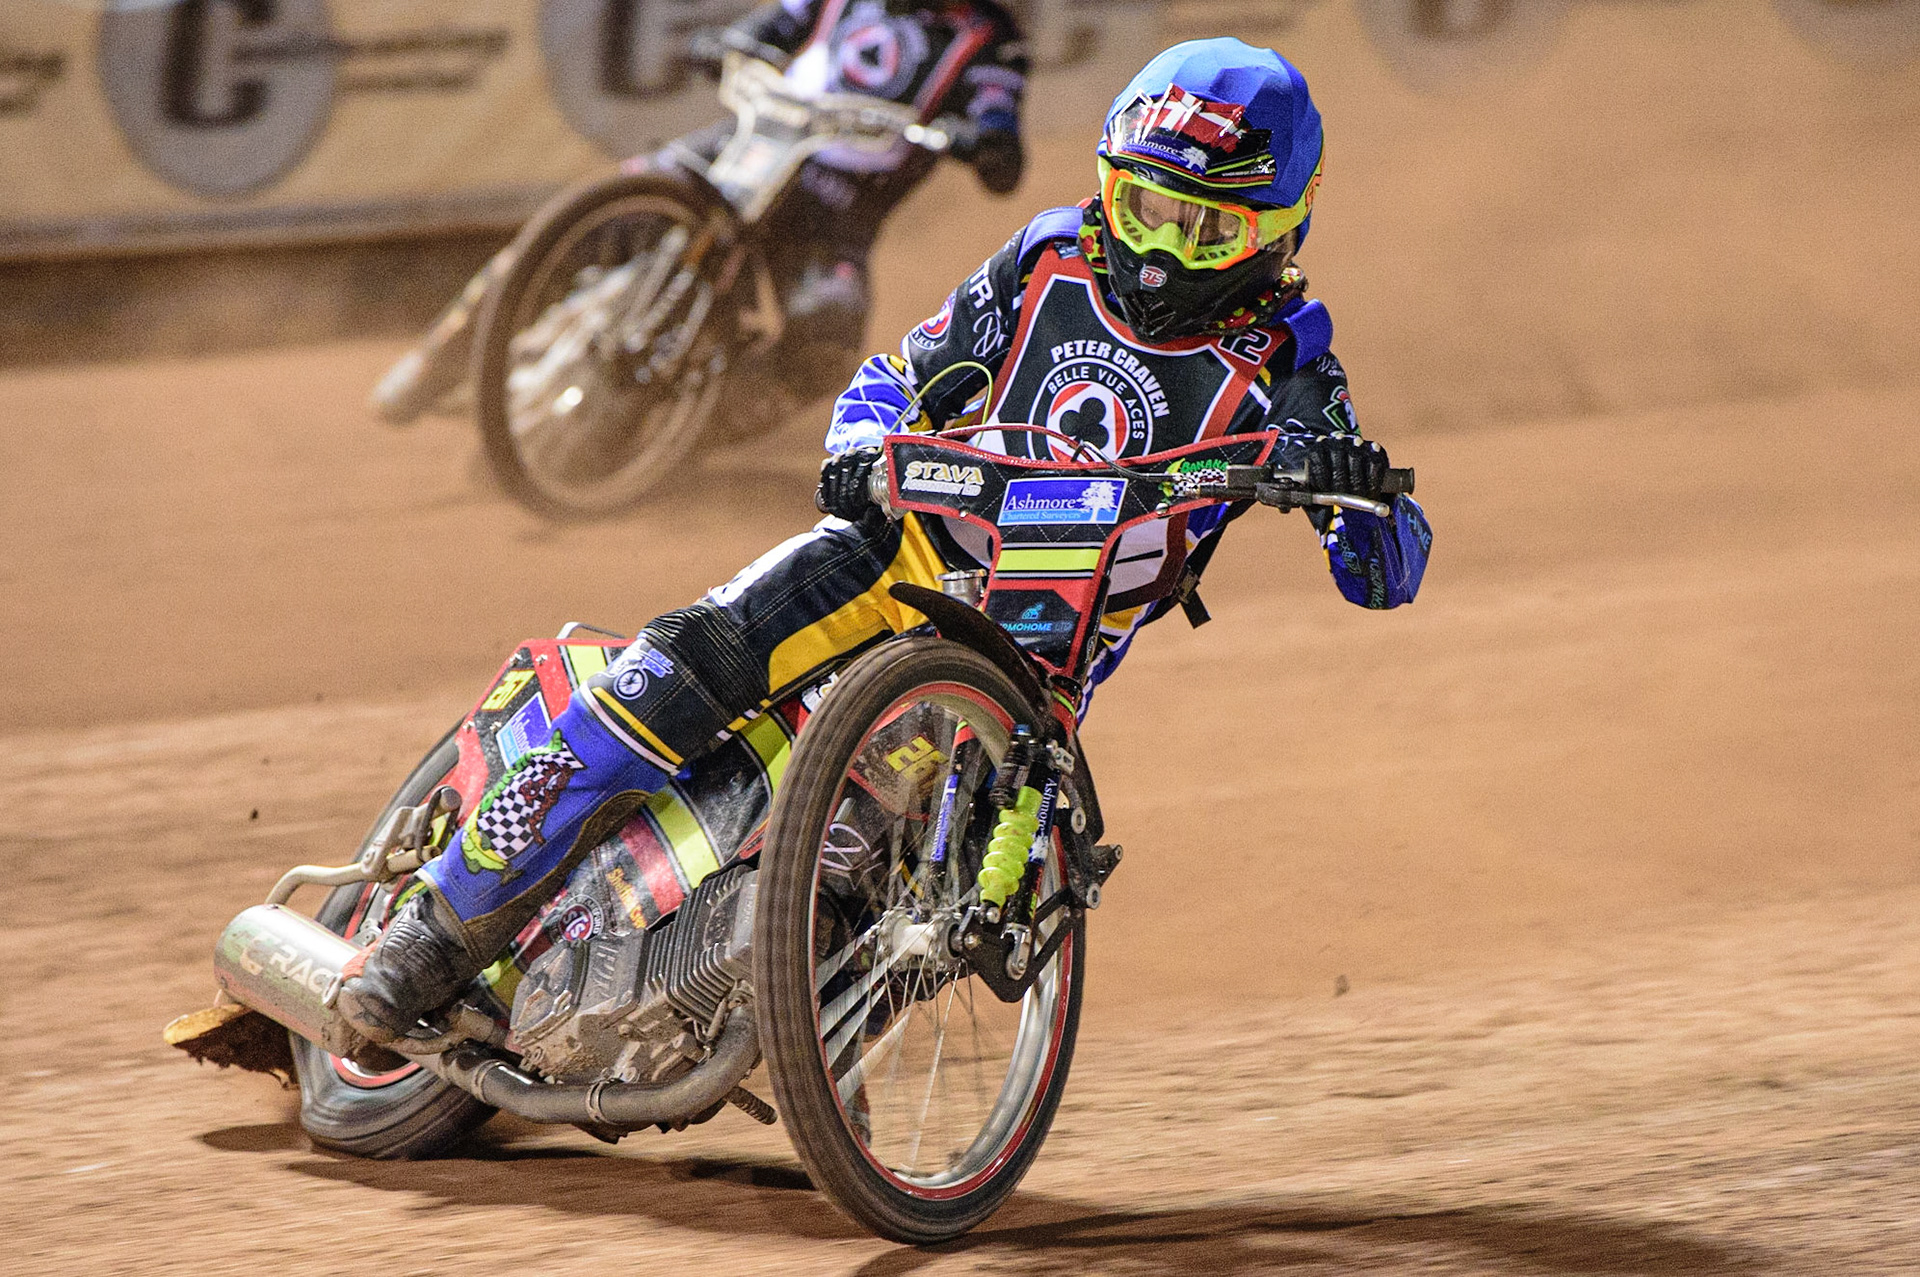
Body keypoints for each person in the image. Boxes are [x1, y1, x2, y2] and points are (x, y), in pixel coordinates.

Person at [335, 37, 1433, 1046]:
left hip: (1029, 667)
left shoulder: (1293, 369)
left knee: (918, 900)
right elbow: (900, 373)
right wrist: (860, 447)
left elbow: (1390, 573)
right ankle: (430, 932)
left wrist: (1358, 501)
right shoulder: (1048, 258)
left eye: (1205, 231)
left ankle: (804, 1060)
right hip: (899, 553)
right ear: (1108, 185)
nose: (1162, 252)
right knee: (665, 675)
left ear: (1281, 229)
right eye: (1144, 209)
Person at [693, 0, 1029, 368]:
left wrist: (986, 144)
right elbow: (775, 25)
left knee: (826, 337)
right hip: (758, 143)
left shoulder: (991, 37)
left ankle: (735, 391)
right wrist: (734, 41)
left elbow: (999, 132)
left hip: (838, 209)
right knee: (659, 178)